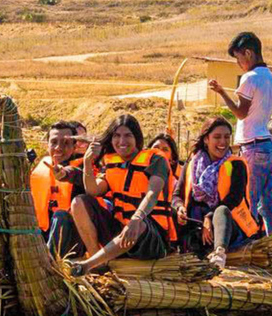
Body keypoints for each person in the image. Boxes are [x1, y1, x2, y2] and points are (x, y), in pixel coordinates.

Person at [69, 115, 174, 276]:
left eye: (128, 135)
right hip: (120, 231)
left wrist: (137, 218)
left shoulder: (155, 159)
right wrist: (87, 162)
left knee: (138, 225)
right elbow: (93, 191)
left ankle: (88, 265)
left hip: (150, 237)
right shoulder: (111, 162)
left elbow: (153, 193)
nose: (121, 141)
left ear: (137, 138)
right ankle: (99, 262)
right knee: (79, 202)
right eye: (116, 136)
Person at [208, 32, 272, 234]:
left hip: (253, 146)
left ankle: (252, 239)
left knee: (250, 199)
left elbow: (241, 113)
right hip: (268, 145)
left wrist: (222, 93)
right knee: (267, 201)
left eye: (239, 58)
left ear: (248, 53)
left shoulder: (250, 78)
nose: (239, 63)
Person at [171, 117, 262, 268]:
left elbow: (234, 198)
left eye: (227, 137)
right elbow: (176, 195)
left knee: (221, 211)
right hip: (196, 222)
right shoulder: (192, 163)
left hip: (227, 224)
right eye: (217, 137)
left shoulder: (236, 164)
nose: (223, 142)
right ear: (206, 139)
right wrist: (180, 208)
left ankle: (219, 253)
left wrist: (209, 217)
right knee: (171, 213)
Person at [29, 121, 88, 258]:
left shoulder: (84, 169)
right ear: (47, 144)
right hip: (41, 235)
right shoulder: (40, 167)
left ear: (74, 146)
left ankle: (49, 265)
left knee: (60, 216)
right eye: (54, 142)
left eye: (66, 143)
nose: (58, 148)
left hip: (72, 243)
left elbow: (74, 174)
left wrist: (63, 174)